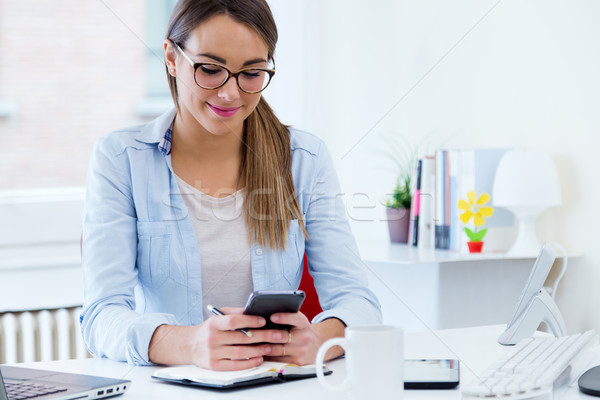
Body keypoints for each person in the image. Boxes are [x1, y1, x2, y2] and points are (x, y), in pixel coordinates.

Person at [80, 0, 381, 371]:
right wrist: (188, 344)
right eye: (210, 69)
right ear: (172, 58)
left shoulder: (305, 158)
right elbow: (100, 317)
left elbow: (359, 303)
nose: (230, 94)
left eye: (251, 73)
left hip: (275, 387)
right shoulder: (122, 158)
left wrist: (317, 340)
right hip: (169, 390)